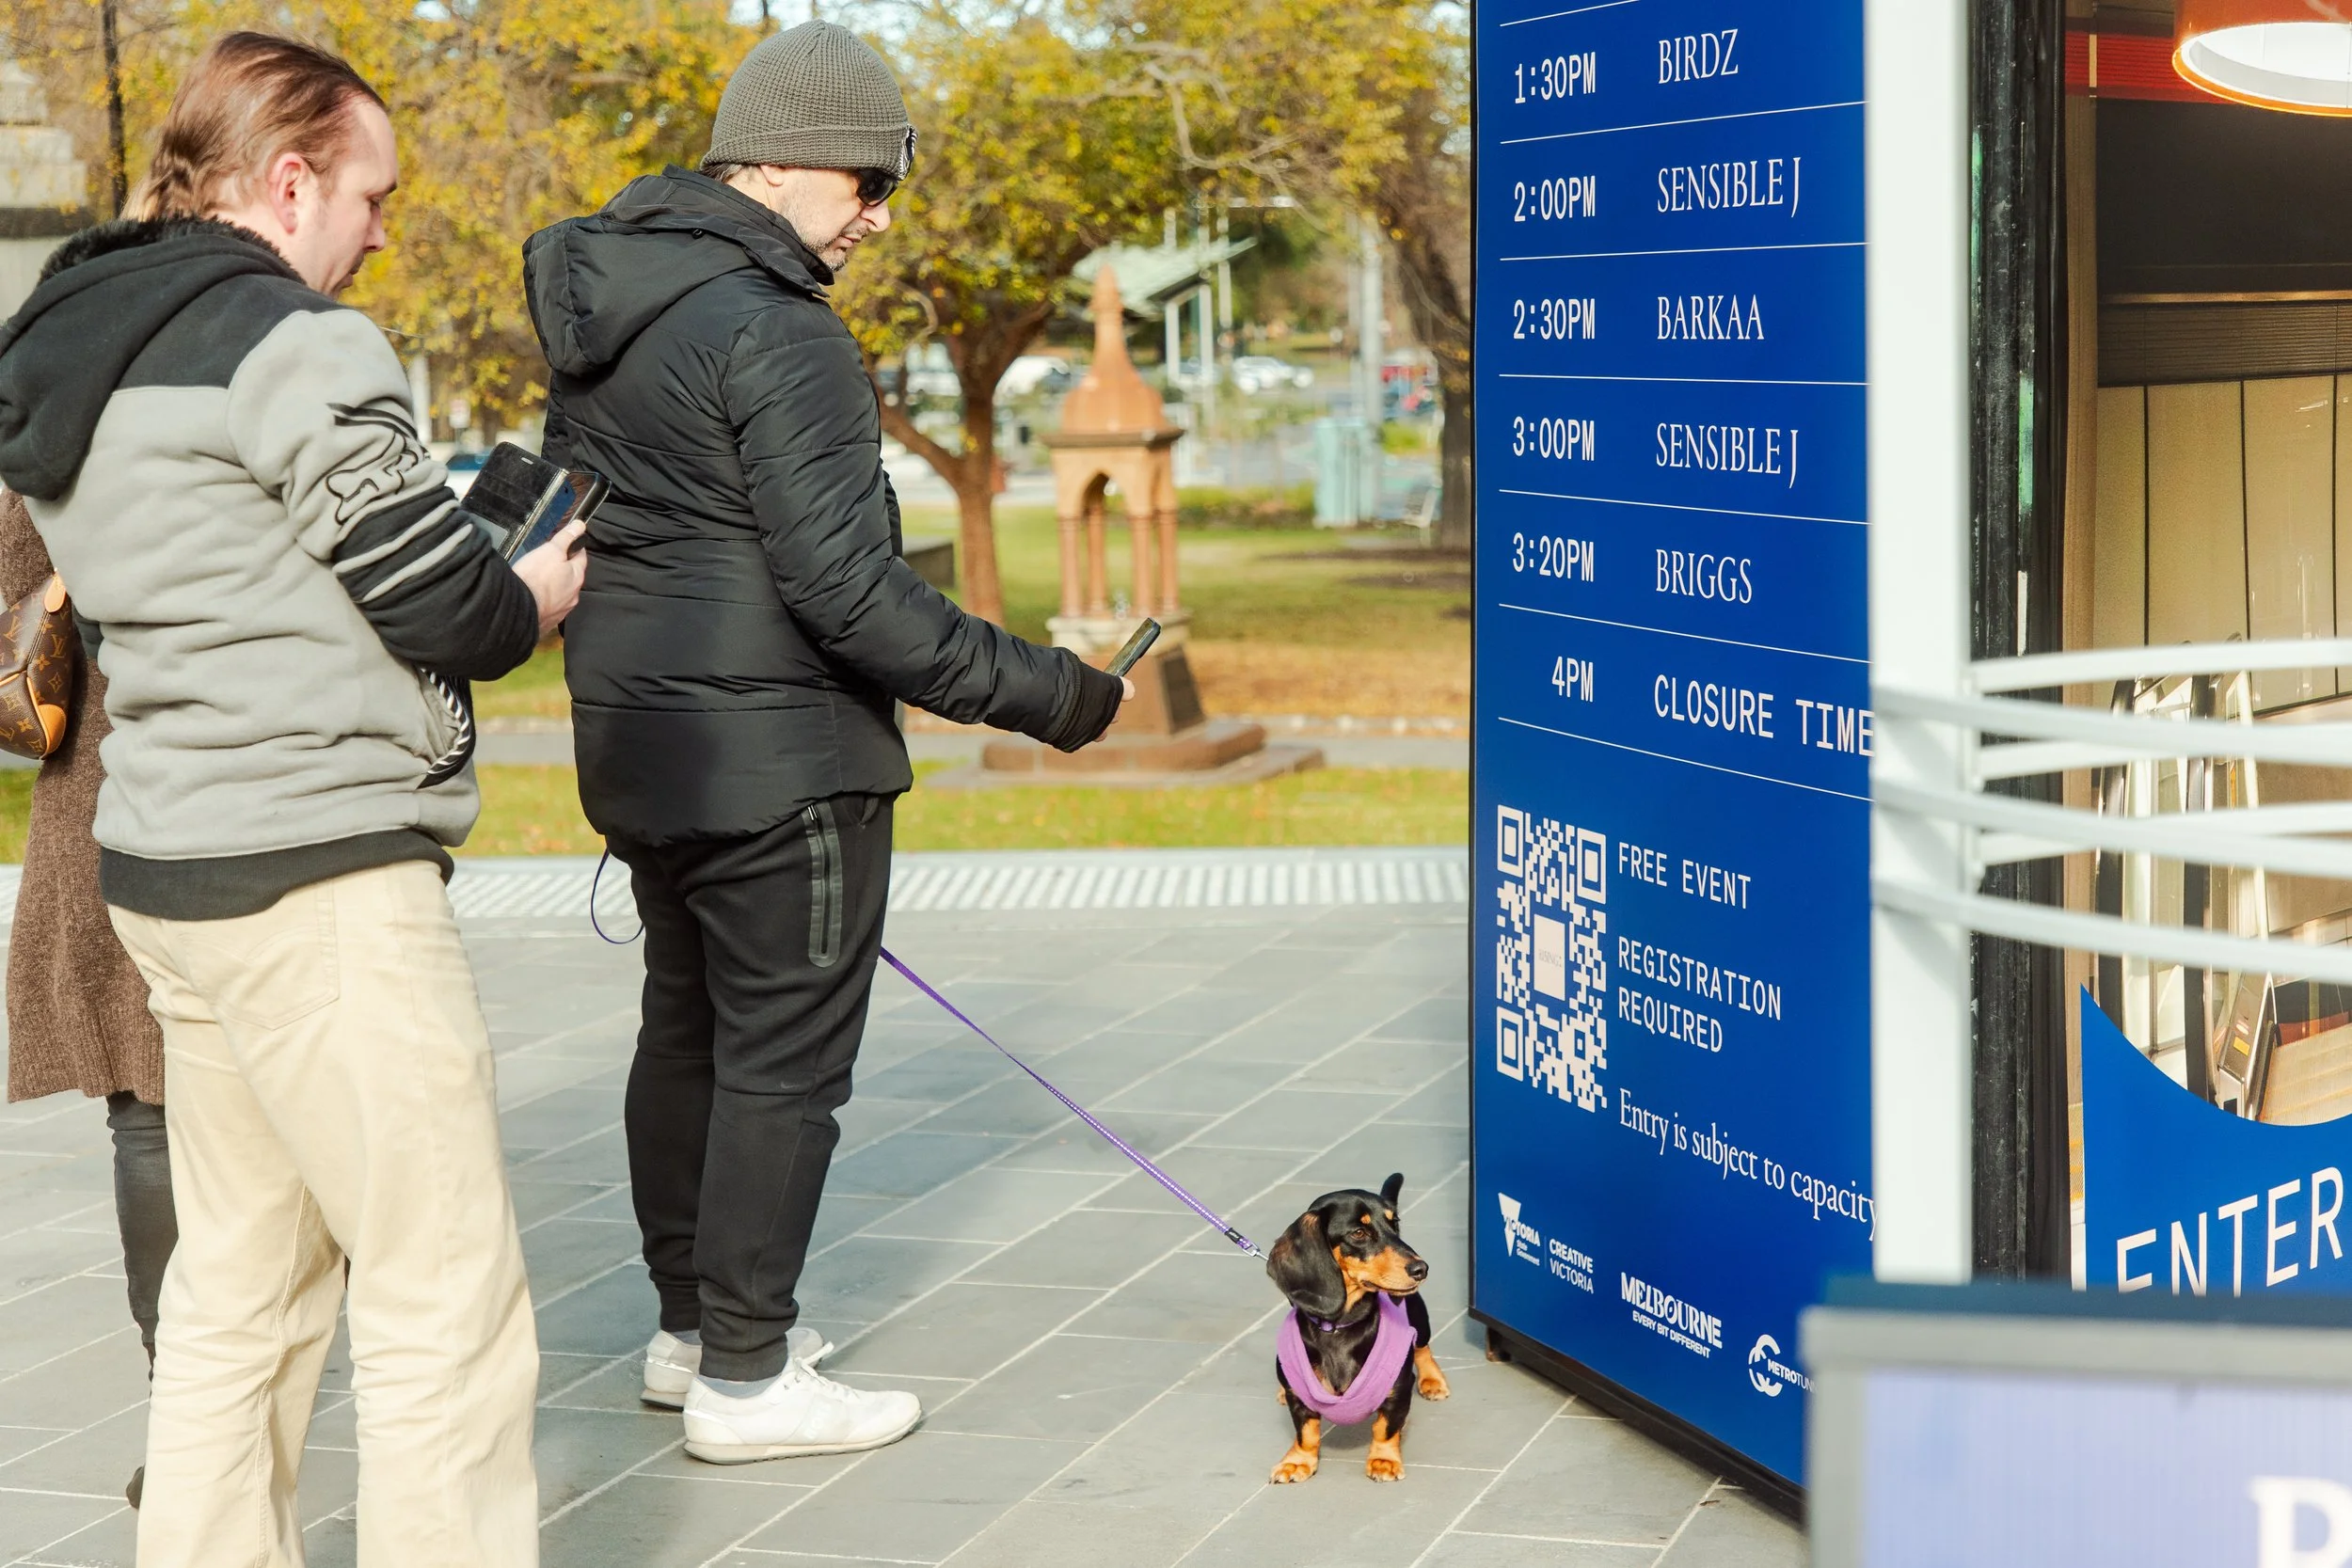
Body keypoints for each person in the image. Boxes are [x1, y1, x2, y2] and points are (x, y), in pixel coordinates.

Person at [0, 32, 586, 1566]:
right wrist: (527, 591)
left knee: (231, 1296)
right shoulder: (298, 342)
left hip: (168, 868)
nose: (384, 229)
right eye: (372, 195)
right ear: (287, 177)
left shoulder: (80, 339)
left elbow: (242, 566)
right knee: (440, 1296)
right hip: (318, 879)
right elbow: (437, 605)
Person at [522, 19, 1128, 1465]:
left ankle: (692, 1333)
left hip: (641, 747)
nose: (876, 215)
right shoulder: (779, 329)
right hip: (783, 762)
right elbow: (852, 595)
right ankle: (747, 1373)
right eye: (866, 182)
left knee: (689, 1032)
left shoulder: (614, 300)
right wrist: (1056, 694)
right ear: (781, 164)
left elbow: (576, 516)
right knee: (783, 1063)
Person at [0, 485, 175, 1513]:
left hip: (102, 784)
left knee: (144, 1110)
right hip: (236, 773)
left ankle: (185, 1408)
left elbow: (17, 596)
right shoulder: (272, 343)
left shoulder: (54, 381)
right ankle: (210, 1398)